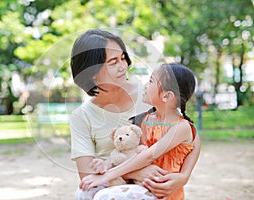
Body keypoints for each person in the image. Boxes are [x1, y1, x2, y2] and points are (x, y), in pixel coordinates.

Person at [70, 29, 200, 199]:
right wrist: (137, 173)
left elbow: (191, 136)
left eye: (123, 58)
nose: (123, 66)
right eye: (113, 61)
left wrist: (184, 176)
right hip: (111, 184)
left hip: (150, 187)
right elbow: (87, 176)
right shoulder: (82, 116)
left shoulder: (149, 95)